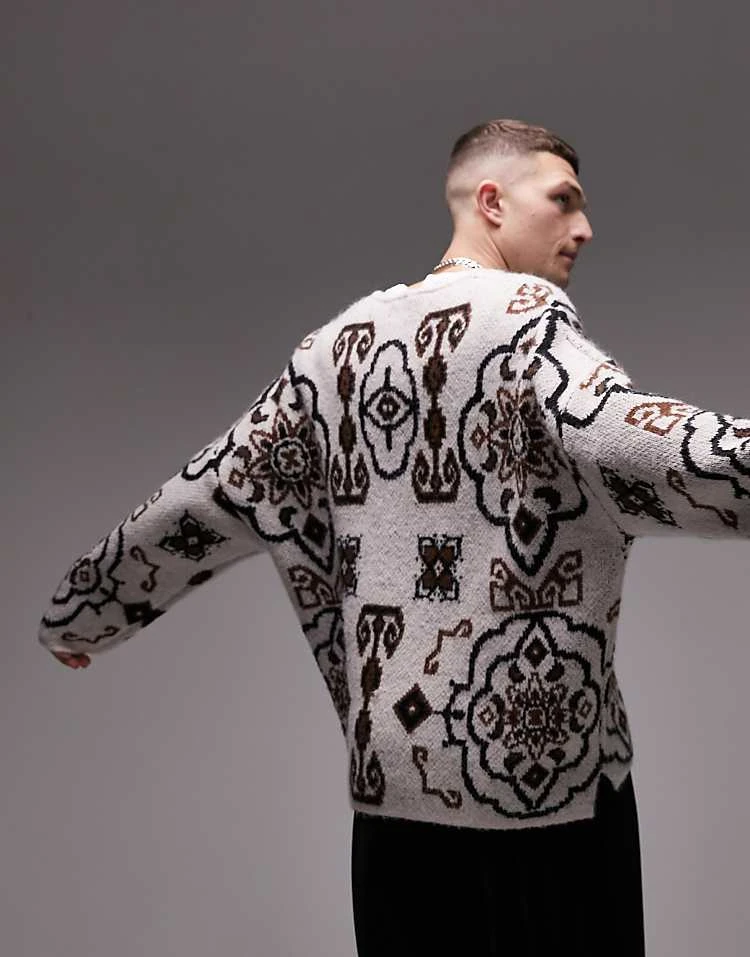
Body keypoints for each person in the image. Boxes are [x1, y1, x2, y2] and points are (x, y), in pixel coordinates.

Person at [42, 117, 750, 954]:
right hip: (544, 796)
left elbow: (212, 491)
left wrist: (87, 608)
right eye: (564, 200)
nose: (585, 226)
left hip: (393, 800)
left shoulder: (332, 352)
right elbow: (647, 448)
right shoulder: (528, 330)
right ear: (491, 201)